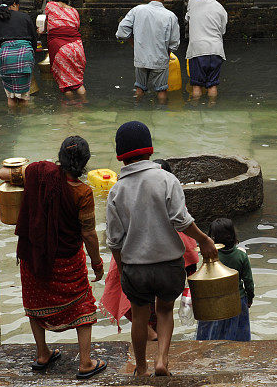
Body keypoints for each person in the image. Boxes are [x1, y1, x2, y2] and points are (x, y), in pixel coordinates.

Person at [105, 121, 216, 377]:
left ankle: (141, 367)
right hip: (169, 264)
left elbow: (115, 240)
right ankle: (161, 361)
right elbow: (181, 220)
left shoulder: (116, 190)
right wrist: (203, 240)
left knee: (140, 314)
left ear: (121, 157)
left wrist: (123, 269)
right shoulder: (167, 179)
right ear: (150, 150)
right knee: (165, 310)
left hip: (135, 267)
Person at [0, 136, 108, 379]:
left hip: (34, 254)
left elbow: (2, 174)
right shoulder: (83, 192)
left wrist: (27, 170)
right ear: (86, 161)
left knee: (34, 300)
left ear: (61, 156)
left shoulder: (40, 173)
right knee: (82, 303)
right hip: (67, 259)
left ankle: (42, 354)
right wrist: (97, 264)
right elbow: (88, 233)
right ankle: (86, 362)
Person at [115, 0, 180, 104]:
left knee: (139, 87)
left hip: (141, 57)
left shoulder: (137, 10)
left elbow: (121, 32)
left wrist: (133, 44)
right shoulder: (171, 16)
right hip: (160, 58)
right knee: (162, 90)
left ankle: (138, 110)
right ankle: (161, 115)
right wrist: (166, 53)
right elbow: (174, 43)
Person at [196, 218, 254, 342]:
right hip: (238, 299)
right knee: (238, 333)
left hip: (214, 300)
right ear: (233, 235)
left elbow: (204, 279)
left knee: (212, 333)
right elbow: (248, 281)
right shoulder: (241, 256)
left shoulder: (210, 256)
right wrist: (250, 298)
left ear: (212, 239)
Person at [0, 0, 38, 108]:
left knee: (11, 97)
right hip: (25, 55)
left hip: (5, 56)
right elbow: (34, 40)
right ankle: (23, 122)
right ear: (14, 4)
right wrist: (31, 57)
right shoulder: (24, 17)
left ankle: (13, 120)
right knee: (24, 96)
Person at [184, 0, 227, 101]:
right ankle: (211, 107)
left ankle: (196, 109)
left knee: (196, 85)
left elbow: (188, 18)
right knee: (212, 85)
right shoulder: (221, 8)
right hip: (216, 50)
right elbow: (222, 31)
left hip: (198, 50)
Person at [42, 0, 87, 98]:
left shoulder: (50, 6)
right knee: (78, 83)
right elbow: (75, 27)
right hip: (77, 48)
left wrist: (41, 30)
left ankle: (69, 109)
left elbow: (44, 20)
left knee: (66, 85)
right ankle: (83, 106)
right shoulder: (74, 11)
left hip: (61, 48)